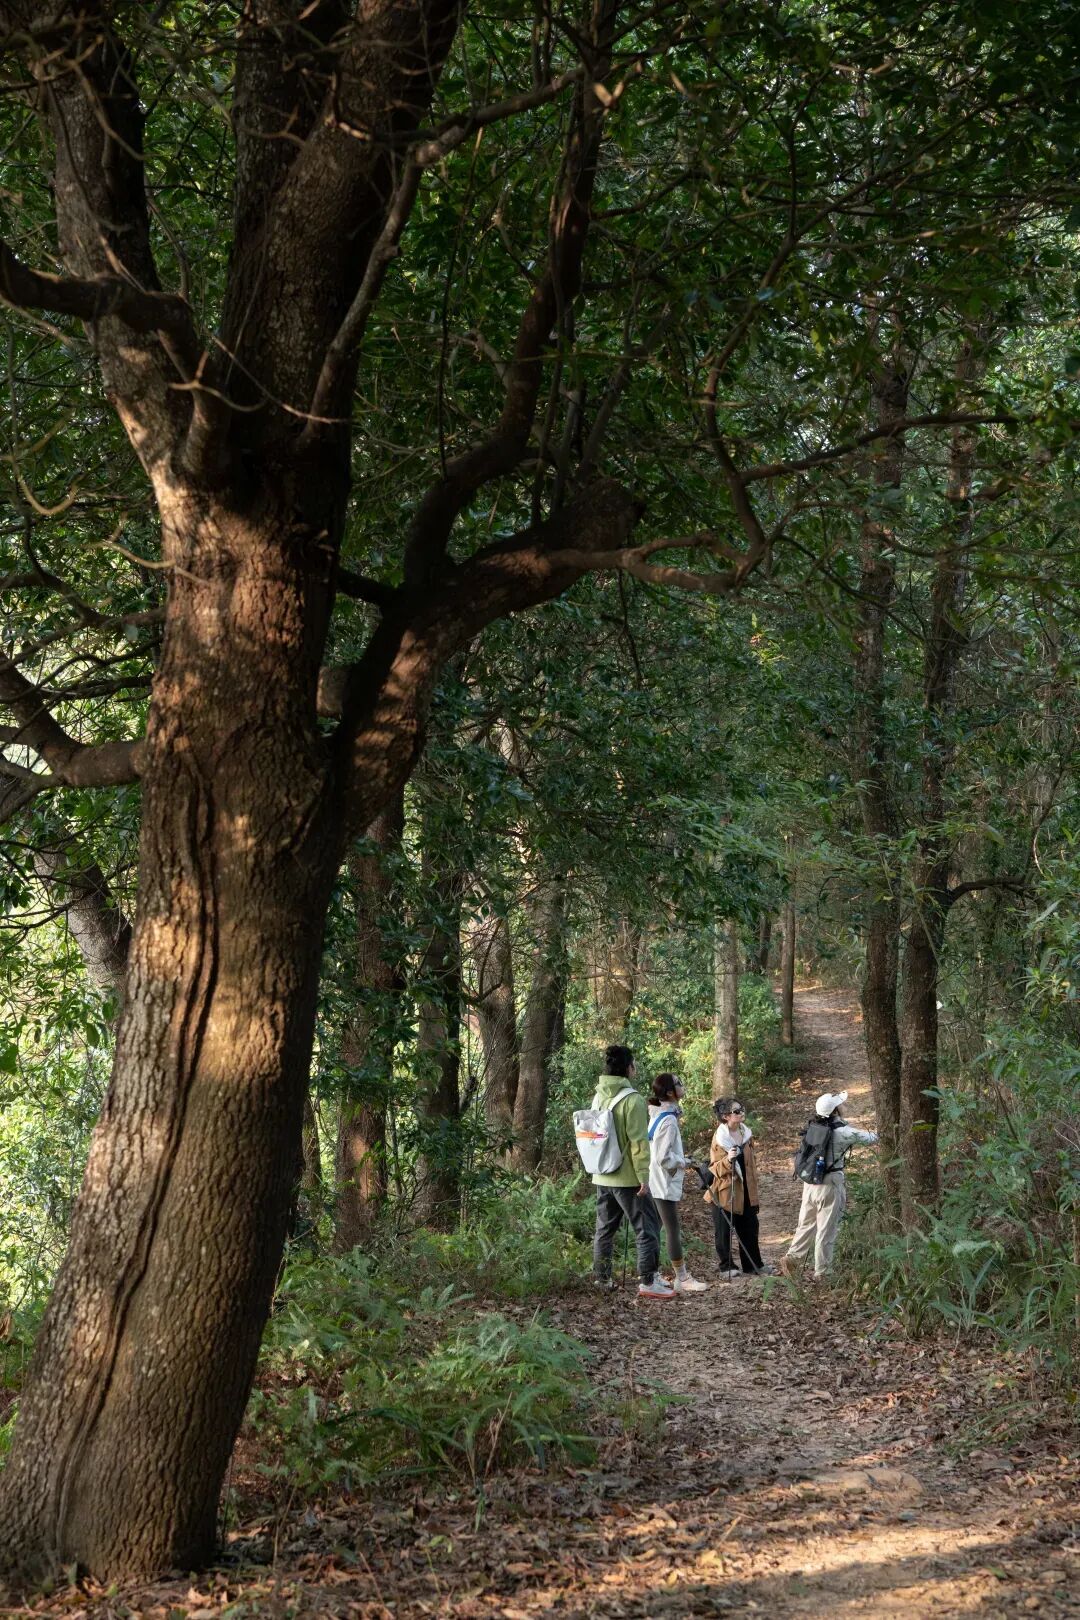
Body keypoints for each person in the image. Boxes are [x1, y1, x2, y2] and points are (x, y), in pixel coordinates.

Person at [590, 1044, 674, 1299]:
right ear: (628, 1068)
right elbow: (638, 1142)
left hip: (602, 1172)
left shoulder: (598, 1096)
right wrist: (643, 1178)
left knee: (605, 1229)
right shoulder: (632, 1099)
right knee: (647, 1225)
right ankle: (648, 1280)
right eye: (633, 1064)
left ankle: (601, 1279)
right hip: (627, 1177)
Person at [780, 1090, 878, 1278]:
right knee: (827, 1229)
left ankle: (792, 1258)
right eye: (840, 1104)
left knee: (806, 1224)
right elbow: (871, 1138)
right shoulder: (842, 1132)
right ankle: (823, 1272)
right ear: (835, 1110)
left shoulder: (814, 1127)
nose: (843, 1105)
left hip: (810, 1183)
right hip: (830, 1184)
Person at [647, 1073, 709, 1294]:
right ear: (670, 1092)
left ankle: (651, 1276)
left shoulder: (658, 1114)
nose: (683, 1086)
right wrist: (683, 1162)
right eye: (678, 1083)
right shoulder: (669, 1120)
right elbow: (663, 1157)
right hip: (663, 1182)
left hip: (654, 1179)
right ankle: (682, 1278)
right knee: (672, 1229)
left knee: (655, 1228)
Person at [705, 1097, 766, 1278]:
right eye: (736, 1111)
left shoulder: (746, 1134)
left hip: (746, 1188)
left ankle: (753, 1265)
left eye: (741, 1109)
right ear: (725, 1116)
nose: (741, 1113)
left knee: (750, 1226)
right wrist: (727, 1160)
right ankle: (727, 1267)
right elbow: (713, 1168)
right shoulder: (720, 1139)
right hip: (725, 1191)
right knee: (723, 1231)